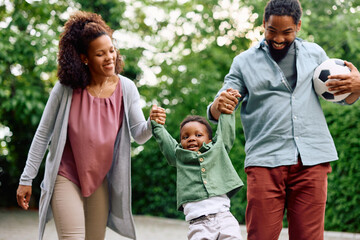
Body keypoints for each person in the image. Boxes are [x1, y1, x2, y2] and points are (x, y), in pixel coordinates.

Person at [207, 0, 360, 240]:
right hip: (265, 159)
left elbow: (339, 96)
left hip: (312, 158)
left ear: (298, 26)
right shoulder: (244, 62)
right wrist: (217, 106)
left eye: (287, 32)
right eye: (272, 31)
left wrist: (356, 87)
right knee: (261, 236)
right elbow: (222, 102)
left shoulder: (315, 54)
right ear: (263, 25)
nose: (278, 38)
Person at [16, 11, 166, 240]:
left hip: (99, 180)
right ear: (84, 58)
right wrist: (26, 179)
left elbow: (139, 135)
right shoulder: (66, 88)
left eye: (112, 50)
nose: (110, 58)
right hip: (65, 175)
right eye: (100, 54)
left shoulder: (126, 88)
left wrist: (151, 123)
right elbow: (42, 134)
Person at [150, 91, 244, 240]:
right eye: (185, 137)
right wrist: (156, 124)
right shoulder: (179, 156)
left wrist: (228, 104)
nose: (192, 139)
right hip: (198, 224)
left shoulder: (218, 149)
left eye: (198, 135)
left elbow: (226, 127)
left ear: (209, 139)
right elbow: (164, 139)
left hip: (224, 218)